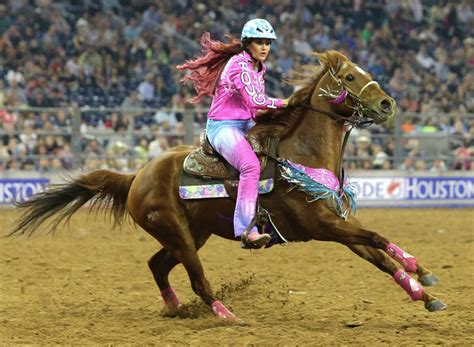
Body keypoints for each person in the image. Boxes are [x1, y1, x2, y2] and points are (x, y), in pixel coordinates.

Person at [177, 18, 288, 248]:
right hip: (223, 127)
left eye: (268, 42)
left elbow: (255, 108)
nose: (265, 47)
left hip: (246, 124)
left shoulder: (259, 66)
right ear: (248, 43)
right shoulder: (240, 65)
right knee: (250, 166)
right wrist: (287, 102)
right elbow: (255, 100)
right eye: (259, 42)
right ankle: (246, 228)